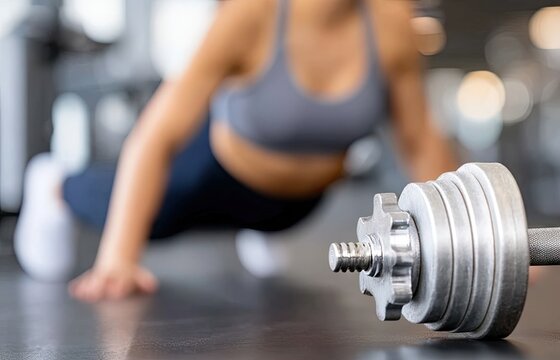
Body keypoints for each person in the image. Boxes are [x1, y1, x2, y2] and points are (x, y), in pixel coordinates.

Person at [13, 0, 457, 302]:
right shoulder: (252, 14)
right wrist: (117, 261)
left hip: (293, 210)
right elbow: (156, 136)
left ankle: (252, 227)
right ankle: (56, 184)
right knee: (157, 219)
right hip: (210, 176)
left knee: (270, 219)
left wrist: (469, 237)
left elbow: (419, 141)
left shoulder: (390, 22)